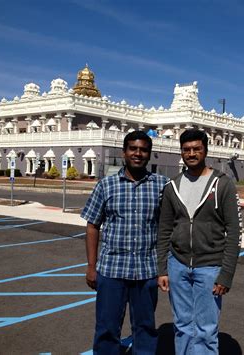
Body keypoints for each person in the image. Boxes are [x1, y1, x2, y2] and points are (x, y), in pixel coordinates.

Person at [81, 131, 168, 355]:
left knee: (145, 327)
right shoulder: (106, 185)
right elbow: (92, 226)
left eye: (143, 150)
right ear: (124, 152)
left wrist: (164, 268)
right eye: (133, 149)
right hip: (112, 270)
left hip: (146, 271)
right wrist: (91, 267)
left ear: (149, 154)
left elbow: (169, 228)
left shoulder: (161, 186)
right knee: (107, 328)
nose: (138, 154)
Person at [157, 128, 242, 354]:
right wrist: (162, 269)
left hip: (210, 267)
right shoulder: (172, 185)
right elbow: (164, 229)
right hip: (178, 265)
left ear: (206, 150)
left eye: (196, 149)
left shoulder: (222, 184)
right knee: (182, 325)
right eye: (186, 150)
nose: (191, 153)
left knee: (206, 329)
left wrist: (226, 274)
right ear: (181, 152)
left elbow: (234, 231)